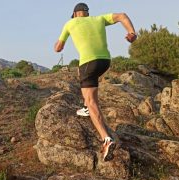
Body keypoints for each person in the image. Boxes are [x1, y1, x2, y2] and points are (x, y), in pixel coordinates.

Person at [54, 3, 137, 161]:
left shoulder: (70, 23)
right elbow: (122, 15)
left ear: (75, 14)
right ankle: (86, 107)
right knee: (88, 80)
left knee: (92, 100)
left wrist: (57, 44)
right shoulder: (99, 19)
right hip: (105, 61)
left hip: (88, 63)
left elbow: (58, 48)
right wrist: (131, 32)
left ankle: (106, 139)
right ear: (86, 13)